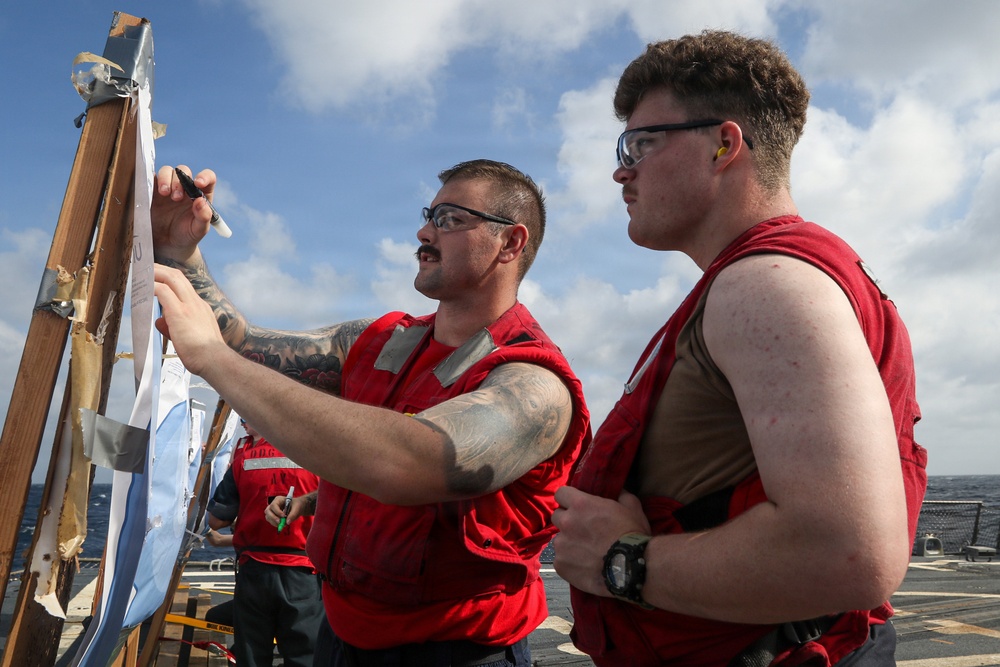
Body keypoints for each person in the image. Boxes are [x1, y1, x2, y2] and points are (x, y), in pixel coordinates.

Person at [551, 30, 928, 667]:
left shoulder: (765, 286)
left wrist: (620, 561)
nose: (622, 168)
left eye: (641, 142)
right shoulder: (783, 279)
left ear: (724, 144)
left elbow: (849, 552)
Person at [150, 159, 591, 667]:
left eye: (450, 218)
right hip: (341, 638)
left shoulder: (535, 385)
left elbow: (414, 464)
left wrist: (214, 361)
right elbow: (243, 341)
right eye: (429, 214)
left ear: (510, 243)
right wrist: (182, 250)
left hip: (458, 654)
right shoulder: (379, 341)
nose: (424, 232)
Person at [206, 418, 324, 667]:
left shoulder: (245, 460)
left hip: (255, 572)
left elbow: (215, 520)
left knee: (251, 656)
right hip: (304, 573)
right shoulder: (319, 459)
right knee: (306, 656)